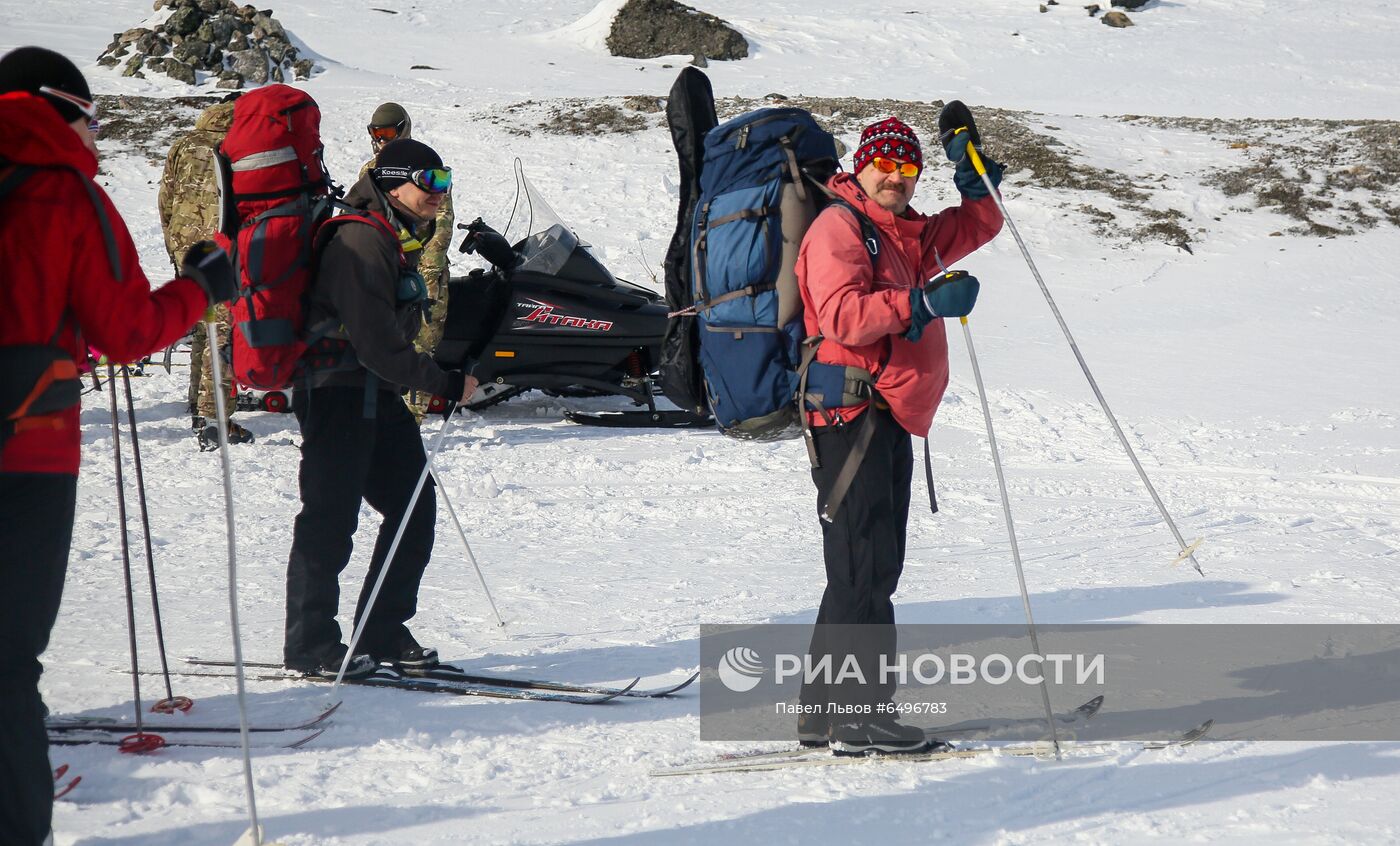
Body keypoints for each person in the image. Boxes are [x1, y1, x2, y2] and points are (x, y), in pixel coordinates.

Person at [0, 46, 236, 846]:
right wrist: (203, 285)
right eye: (92, 119)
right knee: (4, 663)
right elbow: (129, 328)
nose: (96, 137)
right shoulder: (66, 195)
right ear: (60, 108)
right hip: (24, 448)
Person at [794, 114, 1005, 754]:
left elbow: (980, 225)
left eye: (908, 168)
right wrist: (921, 305)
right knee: (868, 566)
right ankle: (861, 719)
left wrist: (976, 186)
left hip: (885, 414)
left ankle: (822, 712)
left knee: (860, 566)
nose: (896, 177)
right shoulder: (840, 227)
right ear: (862, 165)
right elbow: (839, 315)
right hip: (851, 414)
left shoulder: (905, 235)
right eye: (885, 164)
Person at [283, 137, 477, 679]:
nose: (441, 192)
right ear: (394, 182)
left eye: (446, 180)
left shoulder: (395, 235)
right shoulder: (360, 242)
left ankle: (382, 630)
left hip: (375, 394)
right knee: (329, 519)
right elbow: (377, 345)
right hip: (335, 394)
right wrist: (445, 381)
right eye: (430, 181)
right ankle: (311, 644)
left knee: (413, 506)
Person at [156, 94, 254, 450]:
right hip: (221, 243)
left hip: (186, 245)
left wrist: (174, 241)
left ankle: (197, 404)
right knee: (224, 332)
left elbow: (165, 197)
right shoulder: (238, 145)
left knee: (202, 322)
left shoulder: (184, 143)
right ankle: (215, 420)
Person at [358, 102, 455, 415]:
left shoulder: (429, 169)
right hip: (385, 270)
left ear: (403, 129)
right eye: (376, 133)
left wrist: (428, 272)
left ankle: (410, 422)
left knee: (421, 348)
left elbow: (442, 223)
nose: (381, 139)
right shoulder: (370, 171)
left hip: (423, 273)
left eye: (387, 132)